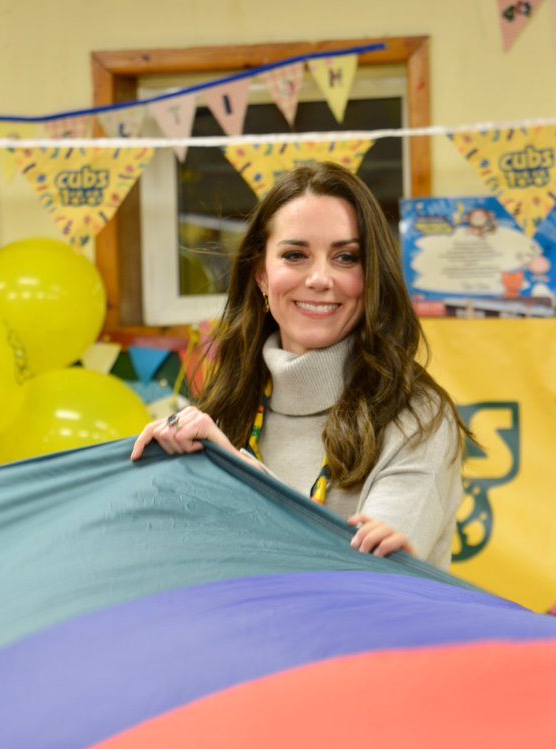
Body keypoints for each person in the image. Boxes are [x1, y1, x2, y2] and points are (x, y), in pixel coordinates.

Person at [128, 162, 470, 569]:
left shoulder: (417, 417)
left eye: (345, 257)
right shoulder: (228, 411)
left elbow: (369, 577)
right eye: (295, 255)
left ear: (372, 276)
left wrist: (238, 474)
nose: (320, 278)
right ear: (260, 275)